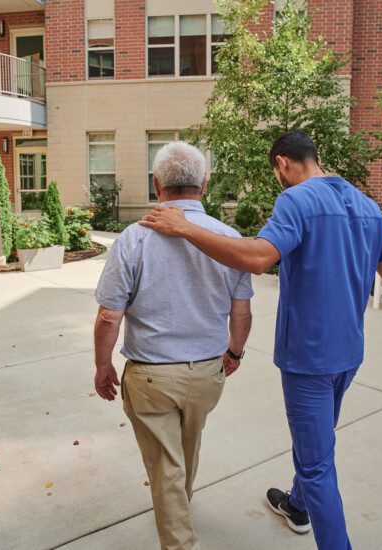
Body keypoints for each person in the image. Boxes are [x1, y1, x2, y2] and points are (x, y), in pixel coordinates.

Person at [139, 130, 382, 550]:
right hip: (348, 354)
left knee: (317, 465)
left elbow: (257, 257)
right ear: (318, 156)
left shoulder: (296, 199)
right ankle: (297, 505)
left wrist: (185, 228)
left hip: (308, 360)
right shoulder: (367, 206)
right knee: (319, 439)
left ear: (282, 164)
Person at [93, 141, 253, 550]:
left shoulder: (133, 238)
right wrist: (234, 352)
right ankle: (179, 506)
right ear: (204, 184)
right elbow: (242, 313)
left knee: (166, 465)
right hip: (207, 371)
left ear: (156, 184)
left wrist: (103, 365)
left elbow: (110, 315)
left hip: (150, 374)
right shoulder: (230, 238)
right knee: (188, 444)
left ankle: (179, 539)